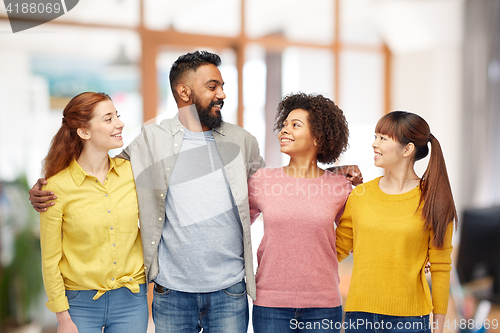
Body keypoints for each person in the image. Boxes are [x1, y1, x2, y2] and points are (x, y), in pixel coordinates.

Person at [29, 51, 363, 333]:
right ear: (185, 92)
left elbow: (283, 183)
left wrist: (332, 173)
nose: (222, 94)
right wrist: (45, 186)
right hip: (171, 292)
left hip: (230, 293)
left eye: (222, 85)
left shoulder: (242, 141)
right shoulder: (150, 139)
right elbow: (101, 169)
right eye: (212, 86)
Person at [336, 111, 457, 333]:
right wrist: (327, 181)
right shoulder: (360, 195)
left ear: (407, 149)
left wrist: (439, 328)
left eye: (383, 138)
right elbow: (336, 249)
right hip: (359, 317)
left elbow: (441, 267)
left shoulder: (434, 200)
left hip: (410, 320)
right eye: (375, 136)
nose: (374, 144)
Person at [39, 92, 148, 333]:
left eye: (117, 116)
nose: (119, 123)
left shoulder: (134, 174)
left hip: (131, 300)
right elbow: (50, 259)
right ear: (84, 132)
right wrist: (63, 317)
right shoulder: (56, 187)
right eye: (108, 119)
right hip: (79, 305)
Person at [248, 93, 352, 333]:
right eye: (284, 125)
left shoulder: (340, 186)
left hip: (323, 305)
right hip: (270, 304)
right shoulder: (262, 180)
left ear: (318, 137)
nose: (284, 130)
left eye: (295, 125)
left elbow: (359, 234)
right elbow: (236, 227)